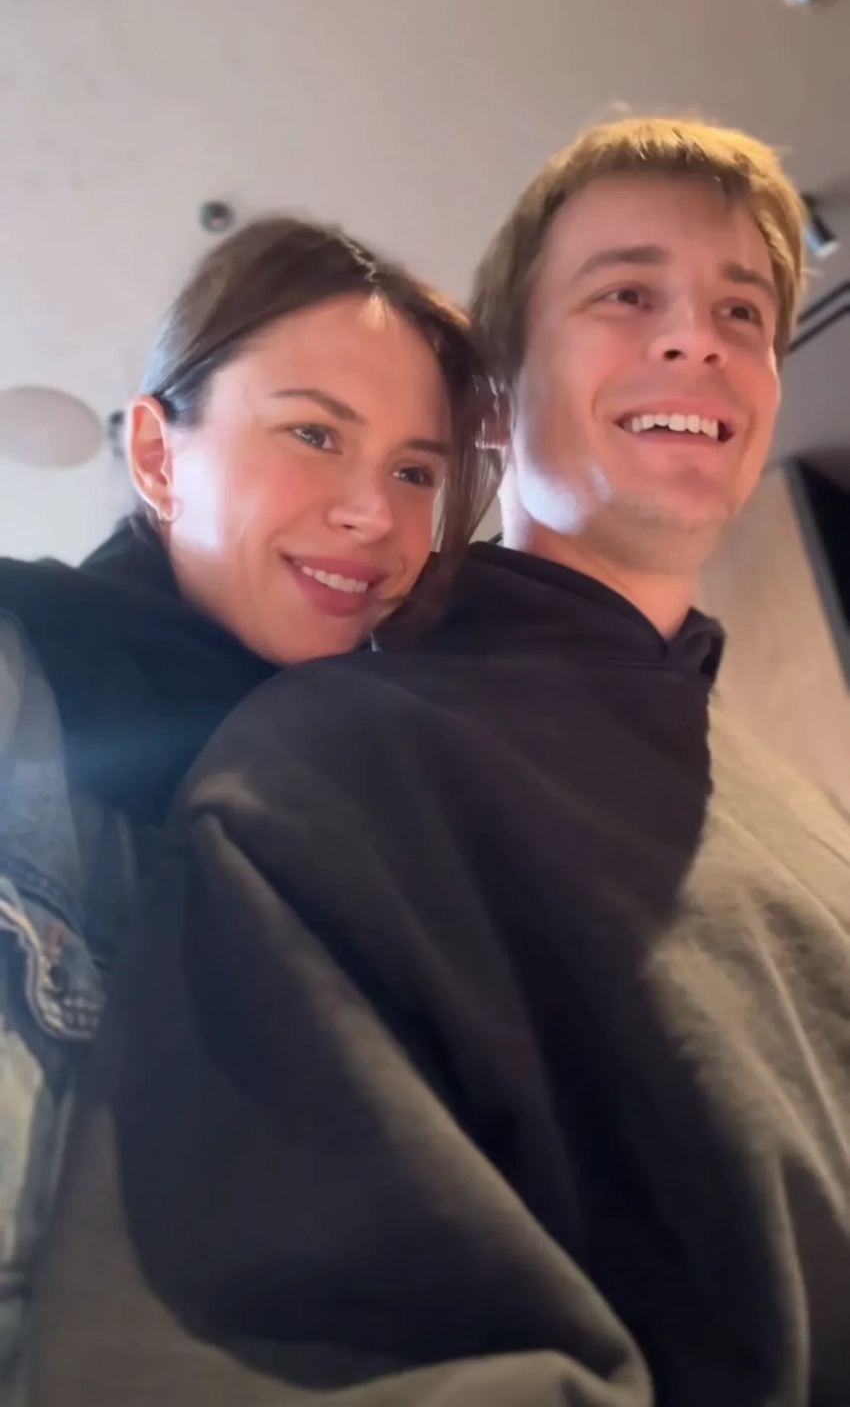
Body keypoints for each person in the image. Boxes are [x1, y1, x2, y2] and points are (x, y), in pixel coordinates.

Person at [29, 120, 850, 1407]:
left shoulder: (806, 815)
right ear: (501, 403)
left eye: (742, 311)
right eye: (626, 293)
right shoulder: (326, 764)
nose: (697, 338)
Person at [0, 217, 496, 1400]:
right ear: (157, 455)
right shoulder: (24, 681)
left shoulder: (372, 808)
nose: (372, 515)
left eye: (415, 472)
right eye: (314, 433)